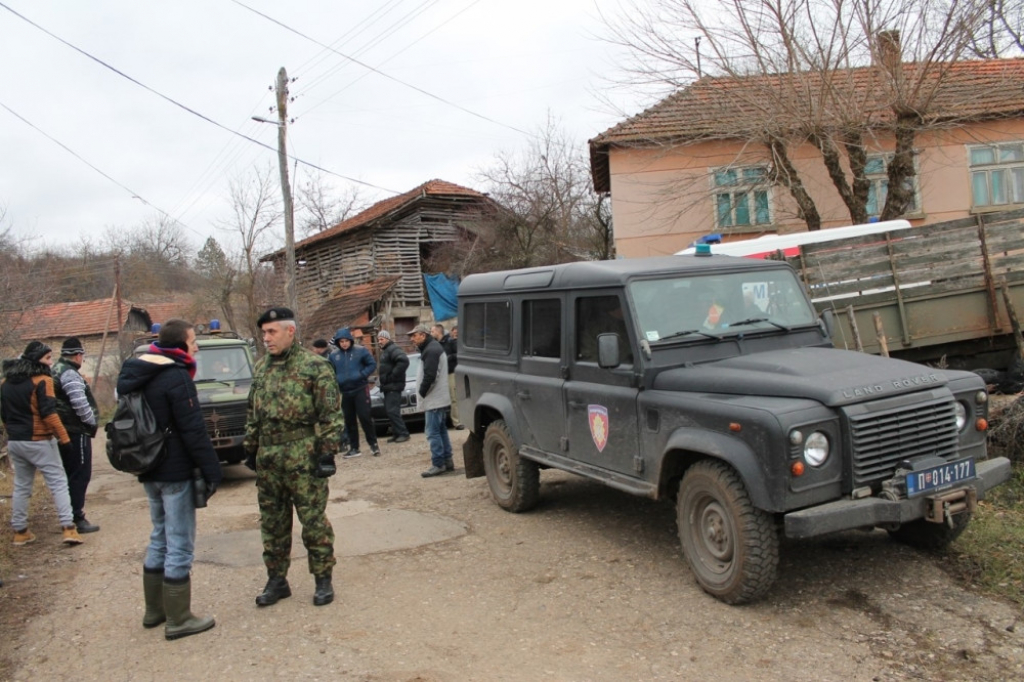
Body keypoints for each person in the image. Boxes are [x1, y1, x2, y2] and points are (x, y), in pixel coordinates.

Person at [116, 319, 223, 640]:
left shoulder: (137, 372)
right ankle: (179, 619)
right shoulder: (175, 376)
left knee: (159, 536)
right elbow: (193, 430)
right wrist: (212, 470)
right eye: (193, 341)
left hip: (148, 468)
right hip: (175, 471)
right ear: (180, 345)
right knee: (179, 542)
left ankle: (155, 611)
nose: (197, 346)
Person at [245, 307, 344, 608]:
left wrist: (327, 452)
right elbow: (252, 410)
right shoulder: (261, 368)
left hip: (303, 453)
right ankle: (277, 580)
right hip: (270, 457)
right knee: (273, 522)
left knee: (312, 519)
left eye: (271, 332)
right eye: (263, 333)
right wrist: (250, 446)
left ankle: (323, 578)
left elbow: (331, 414)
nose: (266, 338)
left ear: (291, 331)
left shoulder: (315, 366)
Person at [0, 341, 83, 546]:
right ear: (36, 360)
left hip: (15, 441)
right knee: (58, 482)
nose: (50, 362)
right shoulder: (42, 380)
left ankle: (20, 531)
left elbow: (4, 414)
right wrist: (64, 438)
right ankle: (69, 529)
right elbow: (49, 414)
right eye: (47, 358)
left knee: (21, 485)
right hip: (39, 440)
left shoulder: (5, 383)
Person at [51, 337, 100, 534]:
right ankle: (76, 517)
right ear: (78, 355)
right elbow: (80, 403)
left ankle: (69, 516)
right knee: (80, 474)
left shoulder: (55, 369)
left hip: (63, 429)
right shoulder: (69, 374)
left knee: (68, 473)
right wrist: (91, 421)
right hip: (75, 429)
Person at [328, 328, 380, 458]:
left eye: (346, 341)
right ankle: (354, 447)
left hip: (360, 388)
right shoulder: (334, 356)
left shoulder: (360, 351)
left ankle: (373, 444)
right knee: (349, 420)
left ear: (350, 340)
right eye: (341, 341)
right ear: (338, 342)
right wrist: (335, 382)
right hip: (344, 391)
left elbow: (372, 364)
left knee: (365, 417)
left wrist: (361, 375)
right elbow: (329, 371)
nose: (344, 343)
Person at [409, 325, 452, 477]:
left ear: (423, 335)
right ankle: (447, 461)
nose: (412, 339)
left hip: (434, 399)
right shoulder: (432, 347)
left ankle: (438, 464)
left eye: (414, 335)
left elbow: (430, 376)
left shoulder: (431, 350)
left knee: (432, 432)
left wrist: (421, 392)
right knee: (441, 430)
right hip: (437, 398)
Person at [376, 330, 410, 443]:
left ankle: (403, 433)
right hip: (389, 386)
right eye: (379, 339)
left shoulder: (393, 349)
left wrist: (392, 376)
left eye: (382, 339)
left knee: (392, 411)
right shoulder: (386, 351)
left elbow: (404, 361)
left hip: (393, 386)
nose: (379, 341)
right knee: (391, 411)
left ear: (388, 339)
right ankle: (396, 433)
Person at [432, 323, 464, 430]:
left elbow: (459, 354)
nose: (431, 333)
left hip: (451, 373)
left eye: (433, 331)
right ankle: (444, 422)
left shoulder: (450, 342)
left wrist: (448, 358)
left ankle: (457, 422)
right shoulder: (436, 344)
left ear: (438, 332)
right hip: (442, 375)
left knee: (454, 398)